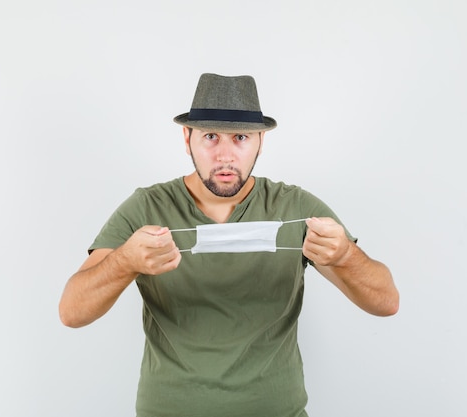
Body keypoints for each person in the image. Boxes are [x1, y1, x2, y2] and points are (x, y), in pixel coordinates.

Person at [59, 73, 399, 417]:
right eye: (210, 137)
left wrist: (345, 255)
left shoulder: (295, 208)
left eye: (240, 137)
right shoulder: (146, 207)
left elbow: (386, 302)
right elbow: (71, 312)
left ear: (261, 141)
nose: (225, 155)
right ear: (187, 138)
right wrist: (124, 262)